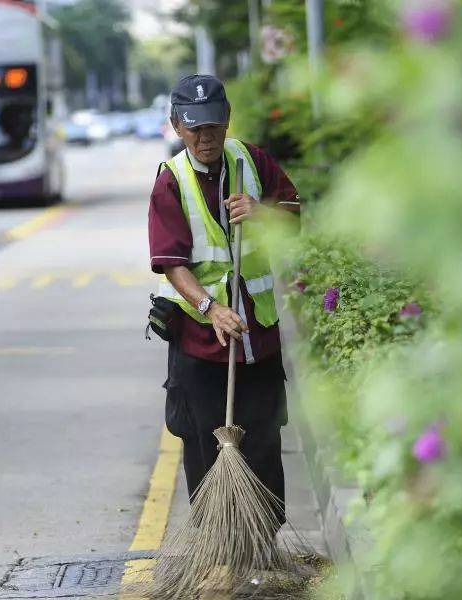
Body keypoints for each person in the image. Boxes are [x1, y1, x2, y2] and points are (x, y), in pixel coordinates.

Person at [148, 74, 301, 526]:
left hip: (258, 341)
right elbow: (171, 262)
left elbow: (294, 217)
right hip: (199, 344)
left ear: (228, 120)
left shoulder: (253, 162)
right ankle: (218, 551)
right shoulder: (171, 181)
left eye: (213, 125)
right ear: (177, 126)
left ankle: (263, 549)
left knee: (264, 445)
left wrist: (263, 212)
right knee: (203, 448)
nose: (205, 136)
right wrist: (210, 308)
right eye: (194, 127)